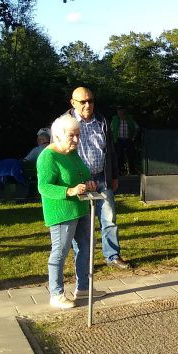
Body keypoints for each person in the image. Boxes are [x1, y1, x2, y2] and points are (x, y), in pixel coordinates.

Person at [36, 114, 102, 309]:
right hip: (62, 212)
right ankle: (56, 294)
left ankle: (83, 288)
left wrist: (88, 184)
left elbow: (83, 173)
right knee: (60, 252)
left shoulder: (72, 153)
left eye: (78, 135)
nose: (76, 140)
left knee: (86, 247)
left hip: (81, 208)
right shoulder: (48, 156)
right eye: (71, 136)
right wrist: (69, 191)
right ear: (58, 135)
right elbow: (44, 187)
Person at [67, 87, 133, 269]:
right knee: (82, 223)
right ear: (73, 103)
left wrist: (114, 175)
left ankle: (112, 256)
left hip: (102, 178)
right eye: (83, 102)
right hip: (78, 181)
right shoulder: (65, 123)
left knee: (109, 219)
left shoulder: (102, 121)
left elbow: (110, 150)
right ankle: (83, 261)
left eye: (91, 100)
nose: (88, 105)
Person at [110, 107, 140, 175]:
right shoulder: (114, 120)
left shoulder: (130, 119)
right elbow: (111, 130)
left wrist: (133, 138)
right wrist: (112, 139)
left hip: (128, 139)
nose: (121, 112)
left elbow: (137, 128)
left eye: (122, 110)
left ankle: (132, 170)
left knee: (131, 155)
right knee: (119, 156)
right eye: (119, 111)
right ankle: (120, 171)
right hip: (118, 140)